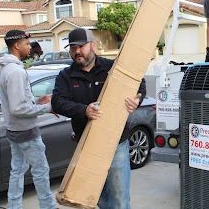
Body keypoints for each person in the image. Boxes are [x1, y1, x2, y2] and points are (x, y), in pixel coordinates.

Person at [51, 28, 146, 209]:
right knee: (97, 199)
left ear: (92, 45)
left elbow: (138, 82)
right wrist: (83, 110)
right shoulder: (66, 76)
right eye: (72, 48)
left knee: (119, 198)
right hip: (86, 144)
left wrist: (137, 98)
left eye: (81, 46)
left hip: (116, 144)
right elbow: (57, 102)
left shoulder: (112, 68)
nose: (77, 51)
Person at [0, 30, 56, 209]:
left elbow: (15, 100)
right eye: (27, 44)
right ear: (17, 45)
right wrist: (48, 108)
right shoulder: (15, 71)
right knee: (41, 171)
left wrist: (38, 100)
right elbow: (18, 108)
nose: (30, 48)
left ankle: (13, 206)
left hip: (14, 130)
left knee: (18, 170)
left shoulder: (5, 68)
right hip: (26, 132)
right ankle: (48, 206)